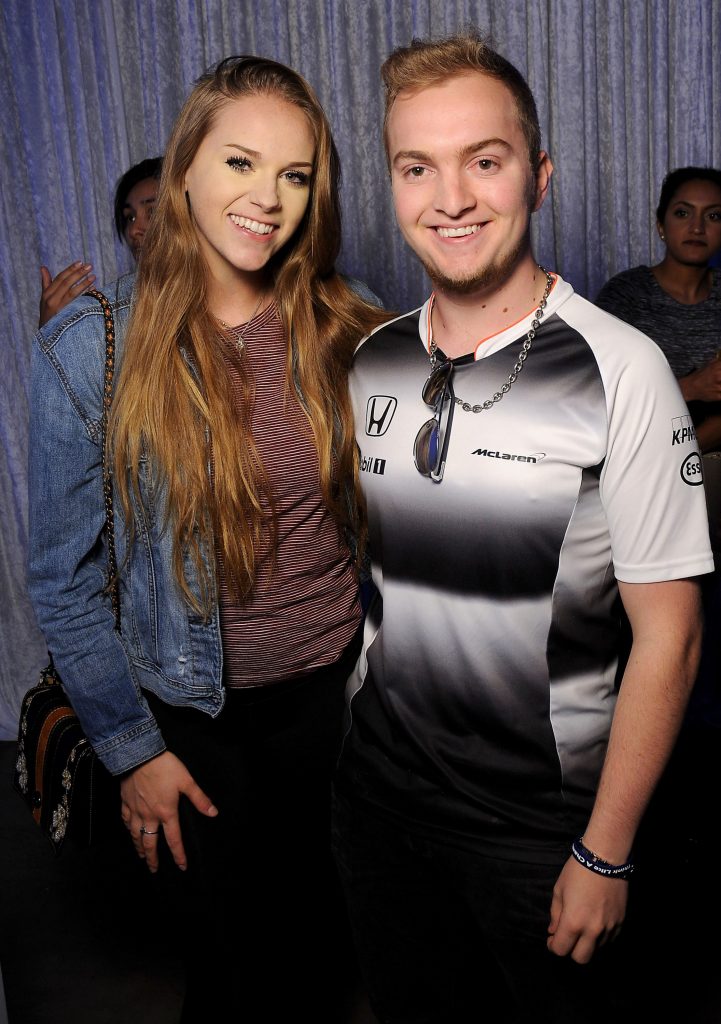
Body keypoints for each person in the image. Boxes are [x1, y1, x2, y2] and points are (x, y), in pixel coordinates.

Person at [332, 33, 713, 1024]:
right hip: (379, 803)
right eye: (418, 166)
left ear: (537, 175)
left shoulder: (619, 366)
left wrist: (605, 846)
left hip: (540, 825)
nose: (450, 197)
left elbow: (670, 633)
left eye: (483, 161)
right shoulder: (370, 358)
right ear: (392, 182)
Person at [28, 55, 384, 1022]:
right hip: (189, 718)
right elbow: (62, 578)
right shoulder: (91, 346)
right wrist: (132, 749)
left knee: (318, 950)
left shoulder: (350, 328)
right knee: (228, 970)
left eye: (295, 175)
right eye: (239, 162)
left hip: (333, 703)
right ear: (184, 167)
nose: (266, 199)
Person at [596, 166, 721, 452]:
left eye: (714, 216)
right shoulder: (626, 295)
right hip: (638, 460)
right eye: (682, 213)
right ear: (661, 226)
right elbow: (595, 398)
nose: (698, 227)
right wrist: (691, 387)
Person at [38, 156, 162, 326]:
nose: (133, 230)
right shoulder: (116, 316)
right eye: (130, 218)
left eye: (152, 212)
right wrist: (54, 331)